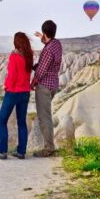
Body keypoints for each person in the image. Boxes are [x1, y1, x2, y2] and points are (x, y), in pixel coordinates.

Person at [0, 32, 34, 160]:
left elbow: (12, 74)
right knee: (21, 122)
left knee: (2, 120)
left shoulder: (14, 56)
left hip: (13, 92)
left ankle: (2, 151)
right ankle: (21, 151)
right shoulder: (29, 55)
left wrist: (6, 86)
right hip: (25, 92)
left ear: (16, 42)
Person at [32, 20, 62, 157]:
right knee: (47, 115)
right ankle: (50, 146)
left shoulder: (47, 51)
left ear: (45, 33)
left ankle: (49, 148)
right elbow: (49, 43)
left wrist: (33, 82)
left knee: (44, 117)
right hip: (54, 84)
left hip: (44, 86)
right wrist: (42, 37)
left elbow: (41, 69)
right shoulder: (57, 44)